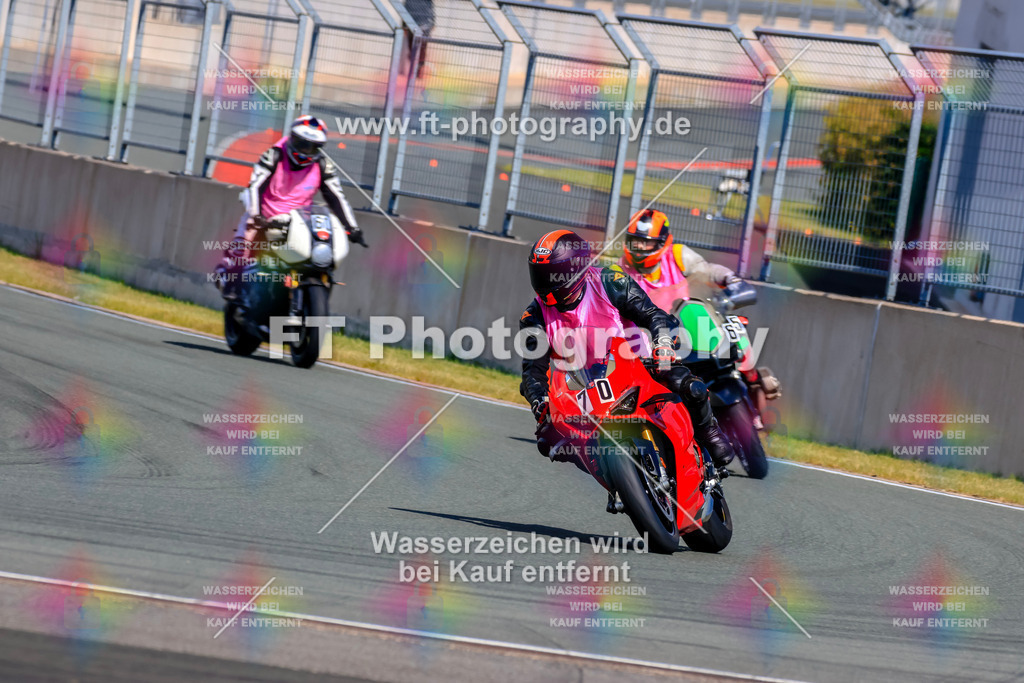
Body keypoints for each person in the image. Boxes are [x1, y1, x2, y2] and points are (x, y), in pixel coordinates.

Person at [518, 229, 736, 510]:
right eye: (540, 274)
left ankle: (709, 432)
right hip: (585, 386)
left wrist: (662, 344)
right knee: (549, 440)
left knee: (688, 385)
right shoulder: (533, 316)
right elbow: (532, 372)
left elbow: (653, 314)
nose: (545, 282)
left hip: (637, 362)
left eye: (553, 274)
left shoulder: (610, 281)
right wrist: (540, 402)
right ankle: (615, 478)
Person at [619, 209, 781, 411]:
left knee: (730, 321)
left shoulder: (677, 255)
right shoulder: (620, 271)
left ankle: (752, 376)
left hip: (692, 328)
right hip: (656, 341)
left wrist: (731, 280)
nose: (640, 248)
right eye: (636, 242)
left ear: (662, 242)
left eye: (647, 242)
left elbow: (708, 270)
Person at [214, 115, 366, 300]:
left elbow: (336, 197)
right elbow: (255, 186)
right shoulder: (274, 155)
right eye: (301, 144)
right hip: (265, 218)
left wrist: (352, 227)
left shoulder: (323, 165)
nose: (305, 151)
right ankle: (228, 277)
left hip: (298, 223)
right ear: (292, 138)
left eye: (311, 147)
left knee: (319, 257)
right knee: (243, 250)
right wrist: (256, 215)